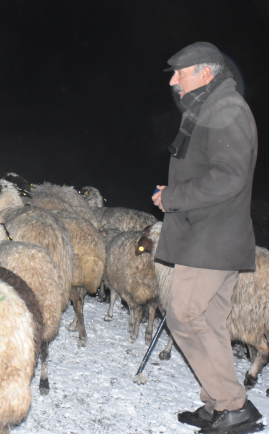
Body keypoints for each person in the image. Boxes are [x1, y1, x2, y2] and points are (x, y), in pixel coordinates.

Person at [152, 42, 262, 434]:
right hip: (210, 235)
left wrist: (175, 197)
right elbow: (210, 170)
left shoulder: (225, 110)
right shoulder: (210, 108)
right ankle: (220, 403)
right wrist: (175, 192)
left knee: (184, 314)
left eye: (180, 72)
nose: (174, 79)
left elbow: (229, 176)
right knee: (210, 323)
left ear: (205, 72)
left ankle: (232, 406)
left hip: (211, 238)